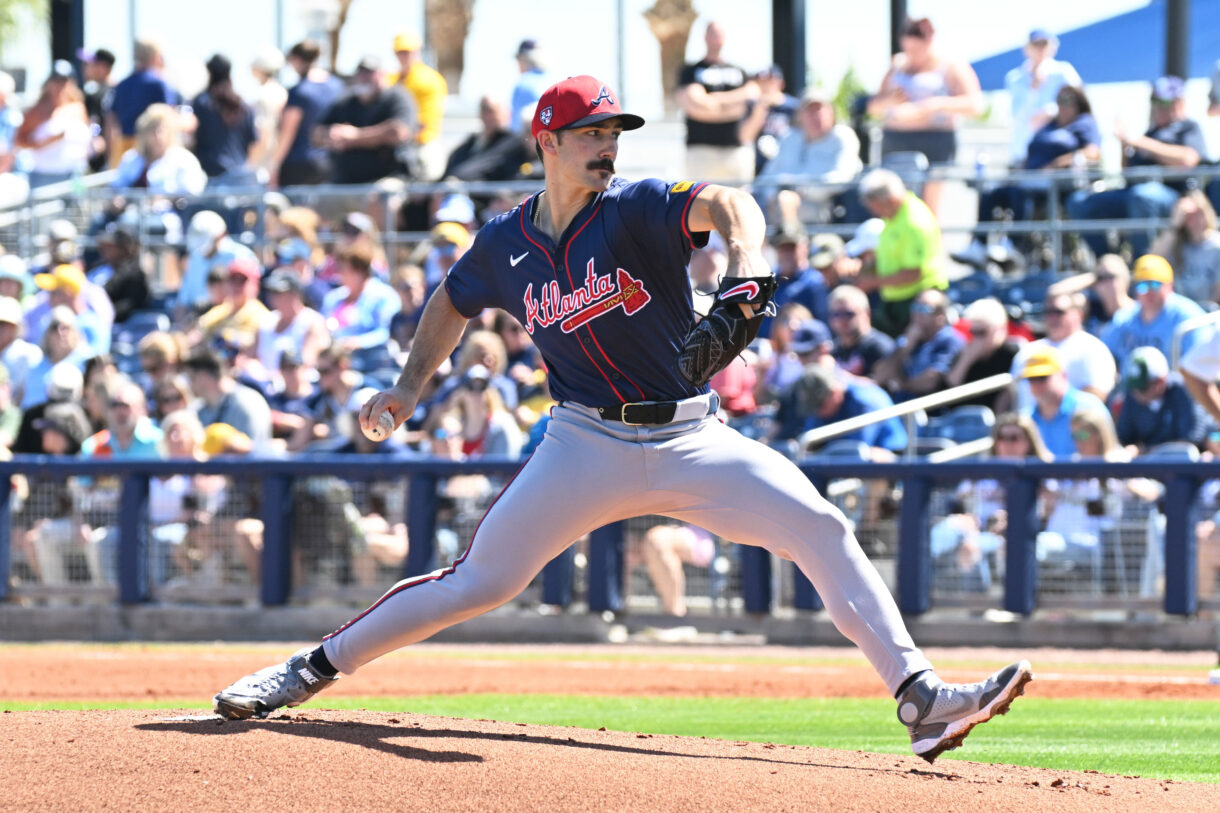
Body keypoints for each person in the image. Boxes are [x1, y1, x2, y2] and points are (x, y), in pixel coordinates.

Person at [213, 75, 1032, 760]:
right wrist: (406, 387)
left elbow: (732, 202)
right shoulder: (504, 245)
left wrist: (745, 271)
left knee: (819, 524)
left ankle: (920, 698)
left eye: (613, 131)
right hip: (583, 441)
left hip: (691, 436)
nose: (607, 144)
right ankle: (309, 667)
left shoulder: (635, 206)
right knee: (478, 581)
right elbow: (449, 304)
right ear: (548, 141)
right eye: (590, 132)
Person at [1066, 76, 1207, 258]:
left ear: (1179, 103)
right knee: (1078, 202)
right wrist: (1124, 146)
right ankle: (1110, 263)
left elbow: (1188, 160)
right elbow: (1127, 176)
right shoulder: (1150, 133)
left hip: (1174, 197)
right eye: (1155, 100)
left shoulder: (1188, 128)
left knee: (1143, 195)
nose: (1160, 106)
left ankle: (1142, 264)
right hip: (1134, 194)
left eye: (1165, 101)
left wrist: (1139, 142)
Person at [867, 17, 984, 217]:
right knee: (891, 202)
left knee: (928, 209)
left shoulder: (951, 66)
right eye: (908, 49)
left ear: (929, 42)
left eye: (917, 50)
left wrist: (934, 105)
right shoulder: (897, 65)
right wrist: (890, 101)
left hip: (936, 142)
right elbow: (873, 107)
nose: (912, 55)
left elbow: (975, 104)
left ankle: (930, 247)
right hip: (896, 140)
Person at [854, 169, 948, 337]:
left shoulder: (914, 222)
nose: (873, 211)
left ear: (889, 200)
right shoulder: (893, 215)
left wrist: (872, 282)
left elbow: (914, 273)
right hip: (896, 298)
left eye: (874, 205)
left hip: (916, 302)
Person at [754, 87, 862, 221]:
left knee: (786, 200)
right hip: (776, 205)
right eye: (809, 110)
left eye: (820, 109)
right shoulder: (789, 138)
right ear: (799, 115)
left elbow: (841, 179)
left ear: (832, 112)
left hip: (825, 208)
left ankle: (790, 241)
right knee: (745, 199)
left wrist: (801, 188)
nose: (816, 115)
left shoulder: (843, 136)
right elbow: (768, 176)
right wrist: (767, 193)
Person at [316, 55, 418, 184]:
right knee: (319, 198)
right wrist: (331, 134)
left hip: (389, 177)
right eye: (361, 73)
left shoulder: (397, 97)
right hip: (346, 180)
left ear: (382, 74)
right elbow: (316, 133)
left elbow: (398, 132)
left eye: (370, 73)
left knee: (379, 197)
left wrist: (355, 136)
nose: (364, 77)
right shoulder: (346, 102)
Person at [676, 21, 758, 181]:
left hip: (735, 151)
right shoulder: (691, 71)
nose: (716, 38)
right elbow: (694, 103)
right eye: (712, 33)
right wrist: (734, 103)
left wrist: (715, 100)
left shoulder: (740, 71)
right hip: (700, 151)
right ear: (705, 37)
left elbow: (752, 95)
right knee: (697, 202)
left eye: (719, 34)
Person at [1010, 290, 1116, 412]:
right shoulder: (1027, 351)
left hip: (1073, 425)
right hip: (1028, 426)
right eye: (1048, 312)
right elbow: (1012, 395)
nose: (1052, 317)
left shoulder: (1093, 348)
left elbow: (1097, 395)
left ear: (1078, 314)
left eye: (1059, 312)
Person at [1101, 254, 1206, 375]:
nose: (1148, 292)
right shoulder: (1124, 319)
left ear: (1170, 286)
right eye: (1142, 285)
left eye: (1155, 285)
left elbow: (1201, 365)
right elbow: (1102, 356)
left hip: (1174, 389)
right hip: (1130, 389)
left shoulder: (1188, 317)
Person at [791, 363, 907, 460]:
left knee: (874, 456)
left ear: (834, 393)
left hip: (891, 461)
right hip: (842, 462)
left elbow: (856, 452)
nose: (817, 412)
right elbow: (810, 447)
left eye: (819, 405)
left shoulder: (863, 401)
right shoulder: (821, 409)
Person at [1003, 29, 1082, 167]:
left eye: (1044, 44)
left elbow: (1077, 103)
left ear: (1053, 47)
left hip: (1053, 150)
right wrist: (1033, 90)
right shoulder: (1015, 77)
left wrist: (1052, 111)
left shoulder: (1064, 72)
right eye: (1036, 44)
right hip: (1022, 148)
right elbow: (1017, 115)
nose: (1040, 49)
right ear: (1027, 49)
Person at [270, 40, 343, 187]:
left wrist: (274, 166)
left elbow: (287, 133)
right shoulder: (337, 86)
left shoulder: (299, 92)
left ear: (296, 59)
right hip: (332, 162)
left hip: (299, 164)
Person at [872, 288, 963, 402]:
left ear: (941, 316)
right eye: (914, 307)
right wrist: (905, 349)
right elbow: (880, 376)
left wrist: (902, 385)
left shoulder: (950, 340)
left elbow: (930, 382)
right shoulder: (908, 339)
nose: (917, 314)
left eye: (924, 309)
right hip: (899, 409)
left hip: (931, 411)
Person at [1018, 345, 1110, 458]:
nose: (1036, 384)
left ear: (1063, 375)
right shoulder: (1025, 418)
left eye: (1042, 377)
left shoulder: (1089, 407)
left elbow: (1108, 451)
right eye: (1031, 379)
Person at [105, 37, 180, 168]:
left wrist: (111, 158)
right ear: (156, 56)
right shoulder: (159, 84)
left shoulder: (122, 85)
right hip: (150, 152)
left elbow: (111, 123)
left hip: (123, 150)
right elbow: (168, 119)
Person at [15, 60, 91, 188]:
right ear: (49, 82)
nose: (60, 85)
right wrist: (45, 142)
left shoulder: (78, 107)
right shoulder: (37, 111)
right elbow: (19, 141)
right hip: (46, 176)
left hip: (75, 174)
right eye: (57, 81)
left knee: (77, 207)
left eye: (65, 81)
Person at [386, 30, 447, 180]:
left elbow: (425, 121)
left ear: (418, 51)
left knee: (427, 183)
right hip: (396, 147)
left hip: (422, 145)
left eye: (408, 52)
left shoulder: (430, 79)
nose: (405, 56)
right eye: (400, 52)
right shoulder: (391, 79)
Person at [190, 54, 259, 186]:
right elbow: (254, 143)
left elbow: (191, 135)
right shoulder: (244, 106)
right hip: (239, 178)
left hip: (210, 178)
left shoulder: (201, 103)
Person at [175, 209, 257, 319]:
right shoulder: (195, 258)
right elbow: (182, 302)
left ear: (220, 236)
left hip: (232, 319)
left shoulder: (241, 256)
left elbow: (250, 297)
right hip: (197, 319)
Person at [945, 297, 1021, 412]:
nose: (976, 338)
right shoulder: (965, 353)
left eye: (982, 332)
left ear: (1000, 329)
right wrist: (966, 360)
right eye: (973, 332)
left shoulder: (1013, 355)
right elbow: (949, 390)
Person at [1115, 345, 1196, 453]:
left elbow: (1190, 441)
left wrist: (1144, 451)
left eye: (1142, 388)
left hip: (1184, 467)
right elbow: (1124, 438)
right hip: (1146, 467)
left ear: (1161, 382)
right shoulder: (1131, 398)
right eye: (1133, 387)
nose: (1136, 393)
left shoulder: (1184, 392)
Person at [111, 103, 207, 194]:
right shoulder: (131, 158)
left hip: (169, 211)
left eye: (161, 130)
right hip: (131, 210)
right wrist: (118, 202)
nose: (157, 135)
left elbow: (192, 191)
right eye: (152, 129)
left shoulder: (184, 160)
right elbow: (117, 187)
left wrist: (168, 199)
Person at [1147, 190, 1220, 306]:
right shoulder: (1175, 243)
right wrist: (1175, 224)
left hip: (1209, 311)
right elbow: (1151, 262)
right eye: (1189, 216)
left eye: (1199, 213)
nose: (1195, 220)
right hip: (1178, 310)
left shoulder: (1216, 245)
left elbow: (1217, 291)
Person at [738, 64, 798, 177]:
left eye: (770, 81)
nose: (765, 86)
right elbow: (745, 137)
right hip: (760, 169)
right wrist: (761, 108)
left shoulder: (794, 107)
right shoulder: (752, 106)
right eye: (761, 81)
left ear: (780, 83)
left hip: (789, 167)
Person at [826, 285, 894, 379]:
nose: (842, 320)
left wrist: (839, 376)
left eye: (849, 313)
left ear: (867, 313)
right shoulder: (833, 351)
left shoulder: (880, 347)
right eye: (836, 314)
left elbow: (880, 386)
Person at [248, 45, 287, 174]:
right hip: (281, 159)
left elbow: (264, 135)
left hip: (266, 164)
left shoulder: (263, 95)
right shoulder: (282, 92)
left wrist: (251, 164)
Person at [79, 47, 116, 173]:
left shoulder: (96, 92)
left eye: (90, 64)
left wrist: (95, 136)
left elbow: (94, 122)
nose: (86, 68)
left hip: (99, 160)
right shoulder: (119, 90)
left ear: (102, 67)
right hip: (113, 159)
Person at [509, 39, 550, 135]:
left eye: (518, 59)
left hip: (527, 142)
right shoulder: (553, 81)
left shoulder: (522, 85)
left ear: (525, 59)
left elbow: (515, 127)